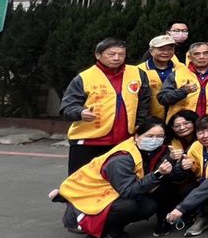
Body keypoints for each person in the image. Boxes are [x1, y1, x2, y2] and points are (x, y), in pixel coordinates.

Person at [52, 119, 171, 238]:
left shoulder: (151, 151)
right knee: (127, 206)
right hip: (90, 195)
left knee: (149, 205)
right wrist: (157, 174)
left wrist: (175, 162)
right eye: (150, 136)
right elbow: (128, 191)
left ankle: (114, 229)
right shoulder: (123, 158)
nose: (155, 140)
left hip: (112, 192)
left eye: (159, 136)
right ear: (137, 136)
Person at [60, 38, 153, 174]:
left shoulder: (137, 73)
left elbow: (144, 103)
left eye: (121, 54)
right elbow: (67, 108)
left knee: (117, 180)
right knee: (81, 181)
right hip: (89, 141)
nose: (117, 58)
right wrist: (80, 112)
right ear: (98, 55)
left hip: (124, 141)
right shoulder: (84, 77)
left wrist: (140, 123)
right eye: (111, 54)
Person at [162, 40, 208, 119]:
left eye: (206, 53)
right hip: (183, 122)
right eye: (197, 54)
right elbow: (163, 98)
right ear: (189, 57)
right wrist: (183, 91)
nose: (201, 57)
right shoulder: (177, 74)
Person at [140, 35, 183, 120]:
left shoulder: (182, 68)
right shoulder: (140, 70)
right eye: (161, 49)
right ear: (151, 51)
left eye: (170, 49)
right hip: (150, 119)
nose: (166, 52)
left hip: (177, 118)